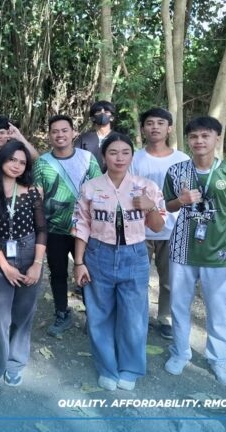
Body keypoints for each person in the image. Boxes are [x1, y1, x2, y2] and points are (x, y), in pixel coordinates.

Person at [73, 133, 165, 391]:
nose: (119, 158)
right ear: (104, 156)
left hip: (134, 255)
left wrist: (150, 206)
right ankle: (107, 367)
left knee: (134, 315)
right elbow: (81, 225)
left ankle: (130, 368)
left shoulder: (145, 187)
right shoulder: (90, 187)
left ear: (132, 156)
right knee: (99, 313)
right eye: (113, 152)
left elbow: (158, 227)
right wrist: (78, 262)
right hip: (98, 253)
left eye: (125, 152)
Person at [162, 116, 226, 386]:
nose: (199, 141)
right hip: (182, 249)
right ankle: (180, 352)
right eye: (194, 136)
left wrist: (224, 236)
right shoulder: (177, 171)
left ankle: (219, 359)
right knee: (179, 305)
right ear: (188, 140)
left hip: (219, 253)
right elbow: (168, 206)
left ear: (217, 138)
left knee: (218, 308)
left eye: (205, 135)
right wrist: (181, 200)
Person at [0, 141, 47, 394]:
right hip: (1, 256)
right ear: (2, 160)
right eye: (12, 160)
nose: (17, 165)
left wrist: (37, 265)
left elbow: (42, 229)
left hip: (30, 254)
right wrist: (4, 266)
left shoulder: (31, 192)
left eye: (22, 162)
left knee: (23, 314)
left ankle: (15, 363)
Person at [33, 115, 101, 337]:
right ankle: (62, 312)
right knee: (58, 272)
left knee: (89, 270)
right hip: (54, 229)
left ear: (73, 133)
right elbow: (37, 197)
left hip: (85, 228)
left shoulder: (87, 158)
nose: (60, 135)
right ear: (49, 135)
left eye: (64, 130)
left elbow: (99, 189)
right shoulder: (42, 163)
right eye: (55, 131)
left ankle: (94, 316)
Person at [130, 108, 190, 340]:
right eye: (149, 123)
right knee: (136, 279)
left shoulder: (182, 160)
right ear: (143, 128)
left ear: (170, 128)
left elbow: (187, 195)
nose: (155, 127)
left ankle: (165, 317)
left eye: (160, 123)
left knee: (170, 280)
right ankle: (137, 317)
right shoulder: (134, 158)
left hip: (173, 229)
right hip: (139, 230)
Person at [75, 100, 116, 171]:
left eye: (106, 112)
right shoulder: (83, 138)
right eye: (99, 112)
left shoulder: (119, 139)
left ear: (112, 117)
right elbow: (76, 160)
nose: (103, 114)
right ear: (93, 118)